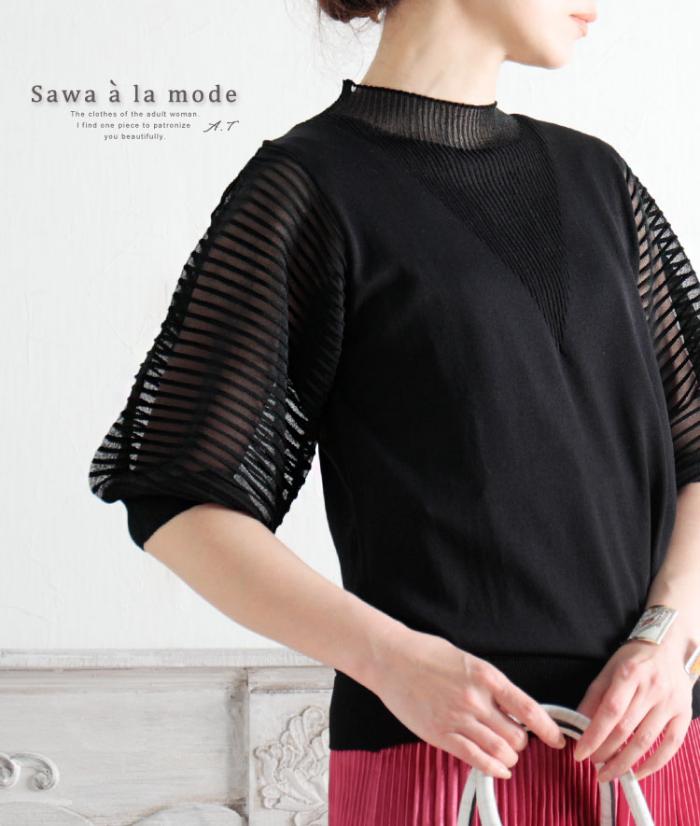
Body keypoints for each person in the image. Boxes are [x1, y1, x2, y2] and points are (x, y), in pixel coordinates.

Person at [88, 0, 700, 822]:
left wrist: (668, 636)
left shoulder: (600, 179)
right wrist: (391, 662)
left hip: (652, 745)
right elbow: (175, 498)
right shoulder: (308, 189)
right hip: (441, 755)